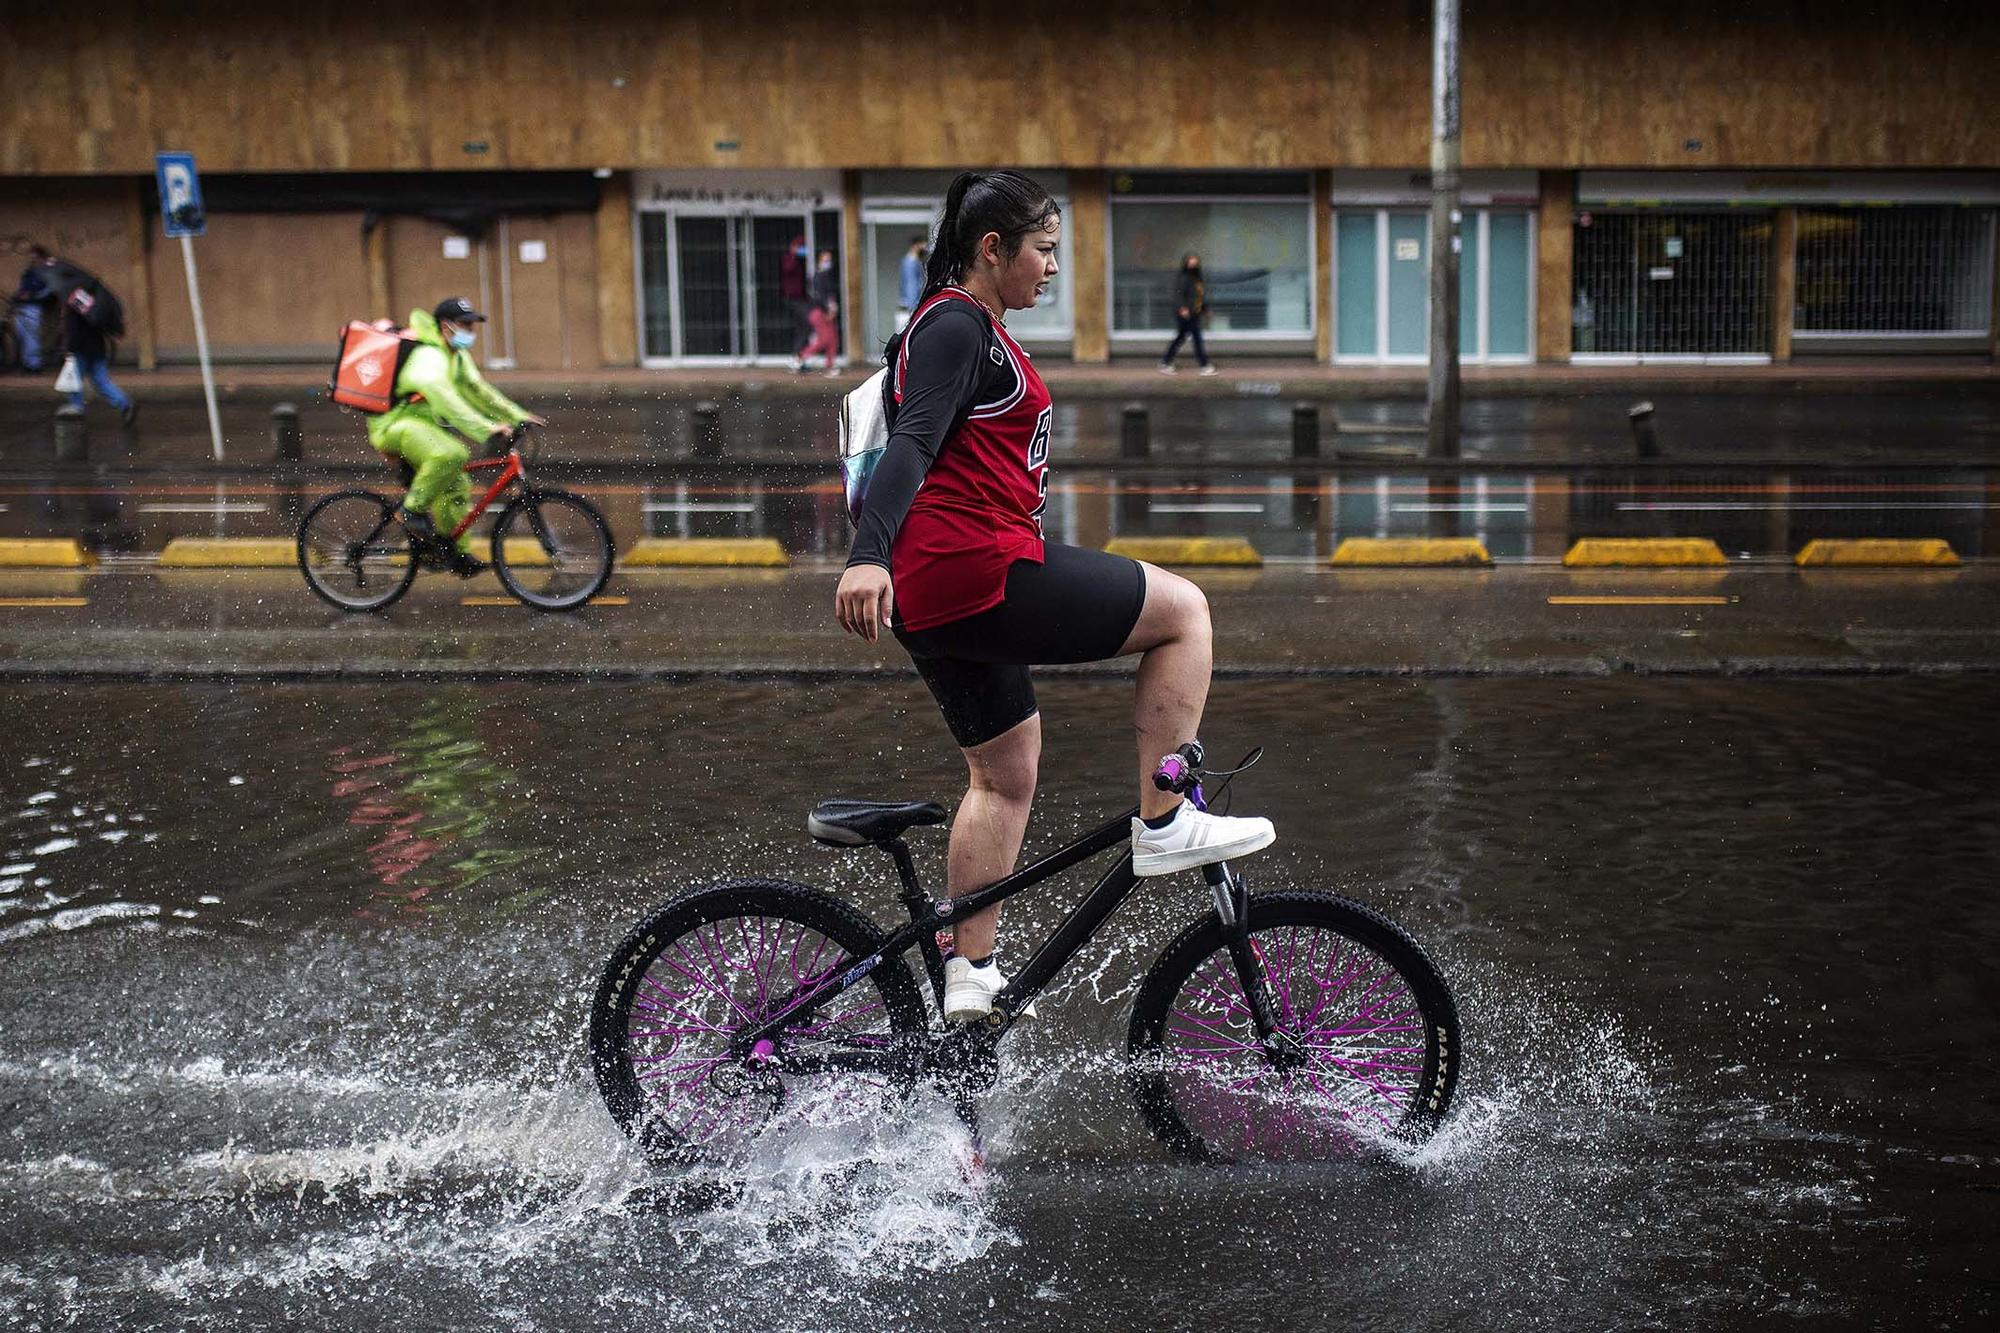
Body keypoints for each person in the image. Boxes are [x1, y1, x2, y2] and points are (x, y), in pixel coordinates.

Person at [834, 171, 1274, 1023]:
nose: (1051, 269)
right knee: (1183, 614)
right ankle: (1166, 815)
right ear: (992, 249)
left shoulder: (958, 325)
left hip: (942, 588)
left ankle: (969, 971)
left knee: (1004, 775)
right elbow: (913, 442)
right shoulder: (959, 323)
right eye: (1042, 251)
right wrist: (866, 555)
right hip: (975, 567)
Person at [366, 297, 543, 577]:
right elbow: (446, 399)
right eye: (465, 325)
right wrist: (487, 428)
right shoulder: (428, 356)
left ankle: (454, 553)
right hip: (395, 424)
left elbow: (477, 390)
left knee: (457, 485)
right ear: (444, 326)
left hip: (423, 426)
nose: (470, 332)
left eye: (472, 325)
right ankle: (411, 511)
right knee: (451, 453)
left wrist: (516, 416)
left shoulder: (455, 355)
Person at [60, 274, 135, 426]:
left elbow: (73, 329)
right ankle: (124, 403)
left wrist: (69, 349)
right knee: (101, 381)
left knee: (74, 383)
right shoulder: (98, 303)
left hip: (80, 348)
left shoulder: (74, 302)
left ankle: (76, 413)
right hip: (98, 348)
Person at [1159, 251, 1215, 375]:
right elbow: (1178, 294)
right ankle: (1204, 365)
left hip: (1194, 312)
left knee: (1181, 337)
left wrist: (1205, 310)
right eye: (1191, 263)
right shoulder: (1183, 277)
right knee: (1196, 338)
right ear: (1186, 264)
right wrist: (1182, 308)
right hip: (1186, 313)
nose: (1193, 265)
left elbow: (1198, 297)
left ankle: (1165, 362)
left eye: (1195, 263)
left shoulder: (1197, 279)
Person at [11, 244, 59, 373]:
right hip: (22, 306)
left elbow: (48, 291)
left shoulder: (47, 272)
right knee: (21, 334)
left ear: (42, 258)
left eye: (35, 258)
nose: (33, 260)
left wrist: (32, 296)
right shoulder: (29, 271)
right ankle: (27, 363)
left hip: (34, 306)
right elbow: (23, 288)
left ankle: (34, 366)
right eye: (32, 258)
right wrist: (20, 295)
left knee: (31, 337)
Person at [781, 234, 812, 366]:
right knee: (806, 324)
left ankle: (800, 355)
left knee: (803, 327)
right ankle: (798, 355)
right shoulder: (789, 258)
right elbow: (788, 269)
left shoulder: (801, 261)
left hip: (801, 298)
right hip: (793, 299)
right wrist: (794, 255)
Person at [896, 235, 925, 333]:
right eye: (922, 245)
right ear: (915, 246)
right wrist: (914, 311)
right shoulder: (910, 263)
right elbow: (911, 287)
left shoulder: (914, 263)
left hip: (909, 311)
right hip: (909, 312)